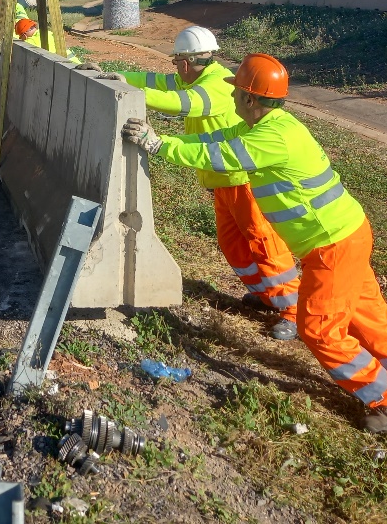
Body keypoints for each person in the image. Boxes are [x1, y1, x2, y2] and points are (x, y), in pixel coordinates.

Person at [122, 53, 387, 433]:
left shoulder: (270, 137)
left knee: (319, 329)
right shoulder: (269, 126)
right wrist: (166, 137)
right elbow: (215, 138)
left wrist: (160, 146)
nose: (232, 99)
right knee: (371, 321)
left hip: (332, 247)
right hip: (347, 235)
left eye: (236, 93)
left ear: (249, 99)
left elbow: (221, 155)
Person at [80, 27, 300, 340]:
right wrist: (114, 75)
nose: (173, 69)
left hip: (241, 180)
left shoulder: (215, 86)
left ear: (185, 62)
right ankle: (268, 296)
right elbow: (153, 81)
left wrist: (133, 98)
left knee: (263, 243)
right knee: (233, 245)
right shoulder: (195, 76)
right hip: (222, 182)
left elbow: (183, 103)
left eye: (176, 63)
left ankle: (292, 310)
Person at [15, 18, 79, 63]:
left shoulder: (33, 41)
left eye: (21, 36)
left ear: (24, 34)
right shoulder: (46, 33)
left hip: (70, 67)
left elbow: (19, 49)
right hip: (75, 64)